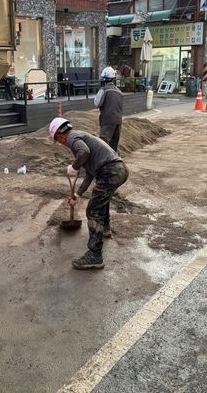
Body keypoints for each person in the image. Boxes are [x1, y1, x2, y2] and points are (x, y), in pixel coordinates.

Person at [48, 117, 129, 270]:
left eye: (57, 140)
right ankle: (105, 229)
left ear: (60, 134)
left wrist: (74, 166)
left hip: (110, 171)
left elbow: (84, 152)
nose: (60, 143)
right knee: (101, 201)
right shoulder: (80, 136)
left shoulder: (72, 137)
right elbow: (90, 174)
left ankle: (95, 255)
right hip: (119, 170)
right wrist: (77, 195)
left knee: (93, 210)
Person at [94, 66, 124, 152]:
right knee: (114, 145)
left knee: (103, 143)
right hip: (118, 120)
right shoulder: (119, 92)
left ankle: (104, 162)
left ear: (104, 79)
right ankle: (115, 161)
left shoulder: (104, 90)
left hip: (107, 120)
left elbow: (97, 103)